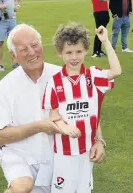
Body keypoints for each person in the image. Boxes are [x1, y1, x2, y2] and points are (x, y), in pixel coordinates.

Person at [0, 23, 106, 193]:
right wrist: (39, 126)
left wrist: (98, 141)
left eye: (35, 45)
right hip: (19, 153)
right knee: (22, 187)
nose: (31, 52)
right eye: (23, 49)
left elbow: (88, 111)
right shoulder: (5, 86)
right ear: (13, 56)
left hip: (58, 155)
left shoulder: (65, 75)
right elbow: (0, 136)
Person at [42, 22, 122, 193]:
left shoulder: (93, 76)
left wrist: (106, 42)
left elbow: (116, 71)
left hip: (87, 150)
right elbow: (53, 116)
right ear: (60, 53)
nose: (74, 57)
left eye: (79, 51)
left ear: (86, 50)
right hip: (65, 152)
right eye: (68, 52)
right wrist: (65, 127)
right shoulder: (54, 82)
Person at [0, 0, 21, 71]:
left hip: (12, 20)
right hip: (1, 21)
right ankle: (0, 65)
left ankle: (15, 63)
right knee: (0, 42)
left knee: (13, 41)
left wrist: (18, 5)